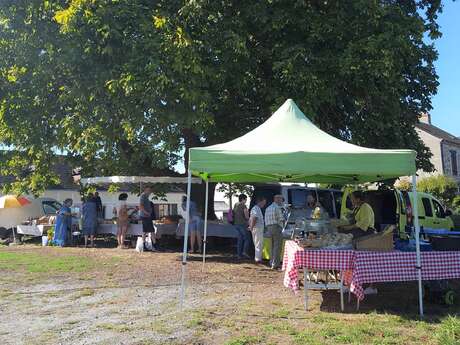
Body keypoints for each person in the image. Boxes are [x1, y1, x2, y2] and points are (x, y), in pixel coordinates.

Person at [338, 190, 377, 295]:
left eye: (352, 198)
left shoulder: (365, 207)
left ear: (358, 199)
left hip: (366, 235)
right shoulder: (357, 207)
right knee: (351, 261)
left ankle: (372, 287)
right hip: (359, 234)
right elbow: (352, 219)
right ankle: (348, 283)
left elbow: (363, 223)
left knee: (367, 262)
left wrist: (349, 228)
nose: (351, 200)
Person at [265, 194, 285, 269]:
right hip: (276, 227)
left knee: (272, 246)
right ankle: (275, 264)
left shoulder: (268, 208)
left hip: (269, 227)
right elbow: (281, 219)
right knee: (277, 246)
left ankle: (271, 262)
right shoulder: (277, 208)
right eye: (281, 199)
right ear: (277, 199)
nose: (281, 201)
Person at [233, 194, 251, 259]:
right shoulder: (244, 206)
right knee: (247, 239)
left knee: (240, 239)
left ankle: (239, 255)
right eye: (246, 199)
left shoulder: (236, 205)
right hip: (243, 224)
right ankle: (245, 252)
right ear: (243, 199)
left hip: (236, 224)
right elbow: (246, 216)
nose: (246, 200)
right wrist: (249, 220)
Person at [249, 196, 267, 263]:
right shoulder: (255, 208)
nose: (264, 204)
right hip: (257, 228)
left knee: (258, 243)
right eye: (264, 202)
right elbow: (254, 218)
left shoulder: (257, 208)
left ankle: (258, 258)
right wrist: (251, 227)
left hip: (257, 228)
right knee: (258, 243)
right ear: (260, 201)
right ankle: (258, 259)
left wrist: (251, 226)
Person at [139, 186, 156, 251]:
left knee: (145, 231)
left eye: (150, 191)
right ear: (145, 190)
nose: (150, 192)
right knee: (151, 231)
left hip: (146, 216)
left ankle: (145, 246)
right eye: (148, 190)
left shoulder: (145, 197)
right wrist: (146, 213)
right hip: (145, 216)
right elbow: (140, 206)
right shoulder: (143, 196)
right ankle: (154, 246)